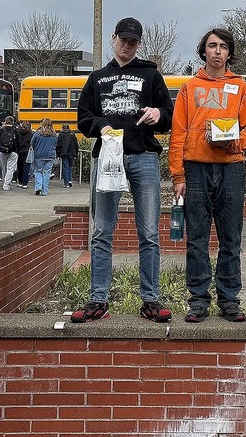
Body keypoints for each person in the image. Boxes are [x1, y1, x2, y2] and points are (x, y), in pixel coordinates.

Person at [73, 17, 174, 323]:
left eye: (133, 42)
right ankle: (98, 299)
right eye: (123, 40)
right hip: (107, 160)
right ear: (113, 39)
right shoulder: (97, 78)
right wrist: (101, 125)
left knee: (149, 232)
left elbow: (169, 117)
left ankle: (151, 300)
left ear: (138, 44)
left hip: (143, 156)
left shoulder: (151, 75)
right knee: (101, 231)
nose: (127, 46)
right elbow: (83, 117)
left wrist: (159, 113)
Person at [170, 28, 246, 323]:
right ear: (204, 51)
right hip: (196, 168)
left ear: (230, 53)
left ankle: (229, 299)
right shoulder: (189, 87)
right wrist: (177, 175)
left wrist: (234, 141)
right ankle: (198, 299)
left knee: (230, 238)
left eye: (223, 46)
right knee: (196, 238)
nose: (218, 51)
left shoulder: (242, 89)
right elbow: (178, 133)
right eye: (212, 46)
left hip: (231, 167)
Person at [31, 118, 58, 196]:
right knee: (47, 173)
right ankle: (45, 191)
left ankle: (38, 187)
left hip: (39, 155)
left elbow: (32, 143)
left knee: (38, 171)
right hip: (50, 156)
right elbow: (56, 144)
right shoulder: (54, 134)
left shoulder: (38, 134)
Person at [0, 116, 20, 191]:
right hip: (13, 152)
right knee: (10, 168)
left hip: (2, 151)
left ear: (5, 121)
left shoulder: (1, 130)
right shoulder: (15, 131)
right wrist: (17, 151)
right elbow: (18, 142)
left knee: (4, 168)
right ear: (13, 122)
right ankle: (7, 184)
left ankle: (4, 182)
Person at [56, 123, 79, 187]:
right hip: (72, 152)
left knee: (65, 167)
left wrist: (58, 154)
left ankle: (66, 183)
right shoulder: (72, 134)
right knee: (70, 167)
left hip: (64, 153)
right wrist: (76, 153)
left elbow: (59, 145)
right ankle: (70, 180)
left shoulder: (61, 134)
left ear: (62, 128)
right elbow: (76, 144)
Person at [17, 120, 34, 188]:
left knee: (20, 167)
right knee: (26, 167)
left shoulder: (18, 132)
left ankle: (20, 181)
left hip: (19, 151)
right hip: (27, 151)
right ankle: (25, 183)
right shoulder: (31, 134)